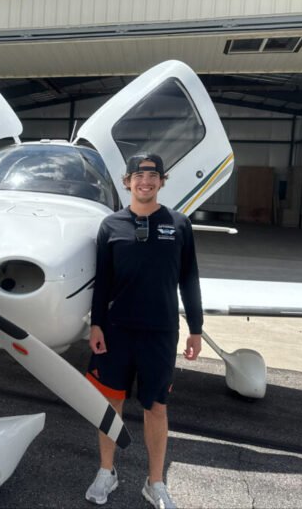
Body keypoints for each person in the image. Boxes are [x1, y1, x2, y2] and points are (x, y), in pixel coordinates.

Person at [84, 153, 203, 509]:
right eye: (138, 175)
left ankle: (155, 482)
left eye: (152, 175)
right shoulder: (111, 225)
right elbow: (101, 282)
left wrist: (196, 327)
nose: (145, 181)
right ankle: (107, 471)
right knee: (110, 404)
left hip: (160, 333)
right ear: (127, 182)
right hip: (117, 332)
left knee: (156, 408)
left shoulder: (179, 224)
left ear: (162, 181)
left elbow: (189, 278)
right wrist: (96, 324)